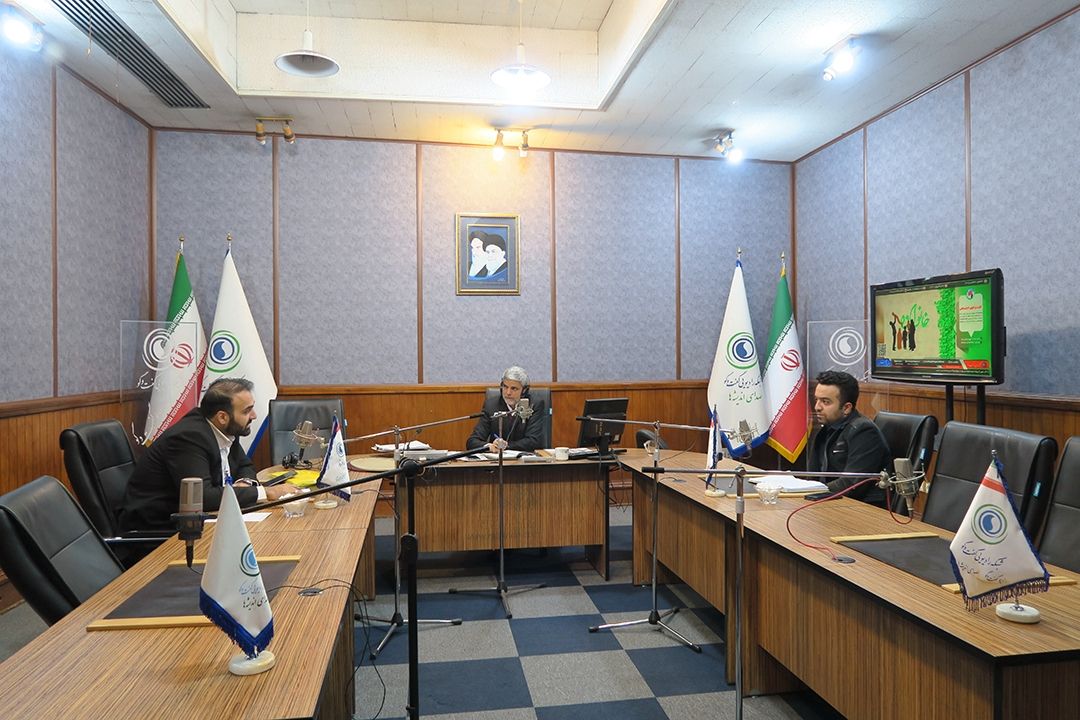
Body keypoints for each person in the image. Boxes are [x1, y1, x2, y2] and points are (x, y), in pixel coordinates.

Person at [120, 377, 294, 533]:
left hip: (202, 521)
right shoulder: (189, 437)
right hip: (161, 530)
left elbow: (244, 465)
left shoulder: (226, 429)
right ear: (222, 417)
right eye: (246, 411)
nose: (254, 416)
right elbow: (202, 497)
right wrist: (265, 493)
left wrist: (245, 484)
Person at [808, 370, 890, 506]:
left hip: (860, 508)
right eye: (817, 400)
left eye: (825, 402)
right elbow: (812, 475)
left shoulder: (863, 431)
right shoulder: (825, 429)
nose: (817, 407)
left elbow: (852, 484)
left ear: (846, 408)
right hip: (828, 502)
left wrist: (813, 491)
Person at [466, 366, 546, 453]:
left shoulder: (534, 405)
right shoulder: (491, 405)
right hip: (496, 458)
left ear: (524, 390)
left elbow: (533, 441)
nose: (508, 393)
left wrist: (506, 446)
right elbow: (472, 441)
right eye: (505, 387)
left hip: (526, 458)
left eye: (514, 388)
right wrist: (489, 446)